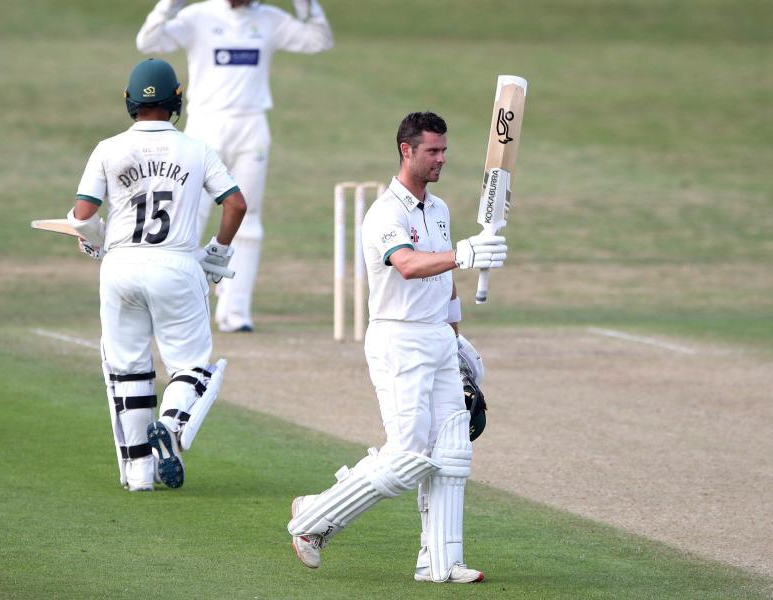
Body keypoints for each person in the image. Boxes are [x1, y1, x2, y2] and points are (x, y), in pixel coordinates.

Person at [286, 112, 508, 583]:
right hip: (398, 338)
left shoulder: (441, 210)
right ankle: (312, 518)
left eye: (445, 150)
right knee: (407, 455)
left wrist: (457, 337)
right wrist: (465, 253)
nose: (441, 159)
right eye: (433, 151)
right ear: (406, 150)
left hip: (436, 338)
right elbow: (407, 265)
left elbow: (444, 280)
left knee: (452, 451)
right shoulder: (385, 212)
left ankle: (441, 563)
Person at [68, 58, 247, 492]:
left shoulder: (108, 148)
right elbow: (236, 203)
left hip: (120, 265)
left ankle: (138, 475)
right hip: (176, 263)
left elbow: (82, 215)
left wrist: (91, 239)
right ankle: (169, 424)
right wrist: (218, 252)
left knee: (128, 369)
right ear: (176, 101)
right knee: (192, 366)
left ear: (129, 101)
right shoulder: (197, 149)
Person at [135, 0, 334, 333]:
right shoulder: (198, 15)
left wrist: (306, 4)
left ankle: (235, 311)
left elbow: (319, 40)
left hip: (251, 125)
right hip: (204, 125)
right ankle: (173, 302)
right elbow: (149, 42)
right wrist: (170, 4)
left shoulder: (269, 19)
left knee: (249, 216)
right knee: (188, 211)